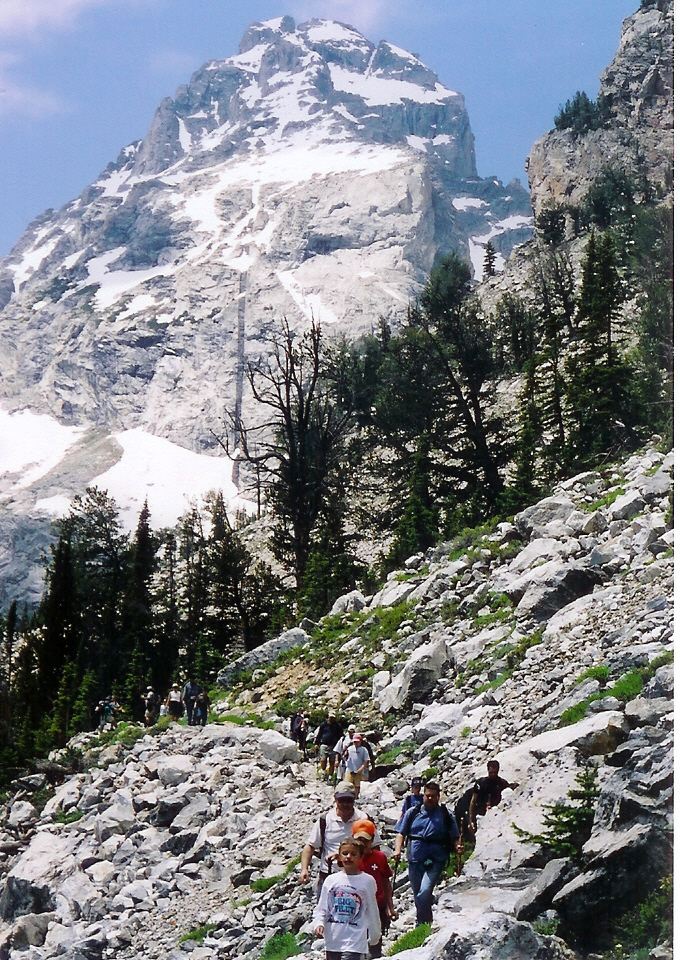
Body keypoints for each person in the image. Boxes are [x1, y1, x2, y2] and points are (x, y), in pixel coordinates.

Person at [394, 781, 461, 927]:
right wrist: (397, 850)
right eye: (427, 795)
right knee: (418, 894)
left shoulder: (445, 814)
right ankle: (424, 923)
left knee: (424, 892)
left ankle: (423, 922)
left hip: (436, 859)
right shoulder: (413, 812)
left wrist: (458, 847)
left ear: (438, 797)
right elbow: (401, 833)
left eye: (433, 796)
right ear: (423, 795)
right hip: (415, 859)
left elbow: (455, 836)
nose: (430, 798)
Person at [300, 783, 382, 899]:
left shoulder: (363, 819)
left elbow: (374, 847)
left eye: (348, 800)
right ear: (335, 799)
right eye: (341, 800)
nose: (345, 804)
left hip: (356, 876)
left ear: (354, 799)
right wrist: (304, 869)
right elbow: (310, 846)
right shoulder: (325, 820)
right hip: (329, 875)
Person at [313, 838, 381, 960]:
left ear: (361, 857)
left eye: (353, 854)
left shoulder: (367, 881)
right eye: (345, 853)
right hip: (333, 941)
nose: (348, 857)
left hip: (355, 941)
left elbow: (372, 909)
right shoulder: (331, 880)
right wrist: (319, 923)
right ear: (339, 856)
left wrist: (374, 935)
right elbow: (322, 907)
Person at [352, 819, 397, 957]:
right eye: (358, 839)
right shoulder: (350, 858)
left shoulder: (380, 857)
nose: (362, 844)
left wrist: (390, 906)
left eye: (365, 840)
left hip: (377, 904)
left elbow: (385, 882)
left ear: (372, 839)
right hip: (355, 907)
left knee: (375, 938)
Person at [467, 760, 518, 836]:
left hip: (496, 816)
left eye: (495, 772)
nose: (493, 774)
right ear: (488, 770)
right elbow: (473, 801)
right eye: (491, 773)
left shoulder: (502, 783)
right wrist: (471, 820)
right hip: (481, 816)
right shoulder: (481, 783)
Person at [315, 713, 343, 780]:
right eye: (330, 717)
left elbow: (340, 736)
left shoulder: (337, 726)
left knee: (332, 761)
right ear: (328, 717)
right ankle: (323, 771)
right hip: (324, 744)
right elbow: (319, 734)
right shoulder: (323, 725)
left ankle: (330, 776)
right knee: (323, 759)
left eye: (333, 718)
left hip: (333, 745)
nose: (332, 719)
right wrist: (316, 743)